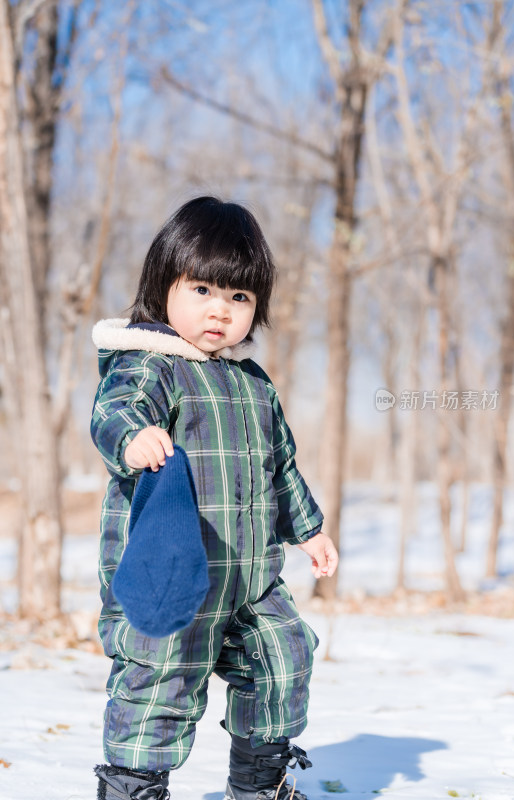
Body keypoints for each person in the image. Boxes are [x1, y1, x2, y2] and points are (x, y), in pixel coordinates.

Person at [90, 196, 339, 800]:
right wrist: (134, 437)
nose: (221, 312)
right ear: (162, 286)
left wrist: (308, 529)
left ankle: (259, 783)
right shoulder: (151, 366)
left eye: (240, 298)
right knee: (158, 681)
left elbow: (281, 465)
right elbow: (114, 409)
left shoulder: (255, 384)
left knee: (283, 657)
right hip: (174, 573)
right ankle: (132, 786)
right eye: (202, 290)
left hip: (252, 577)